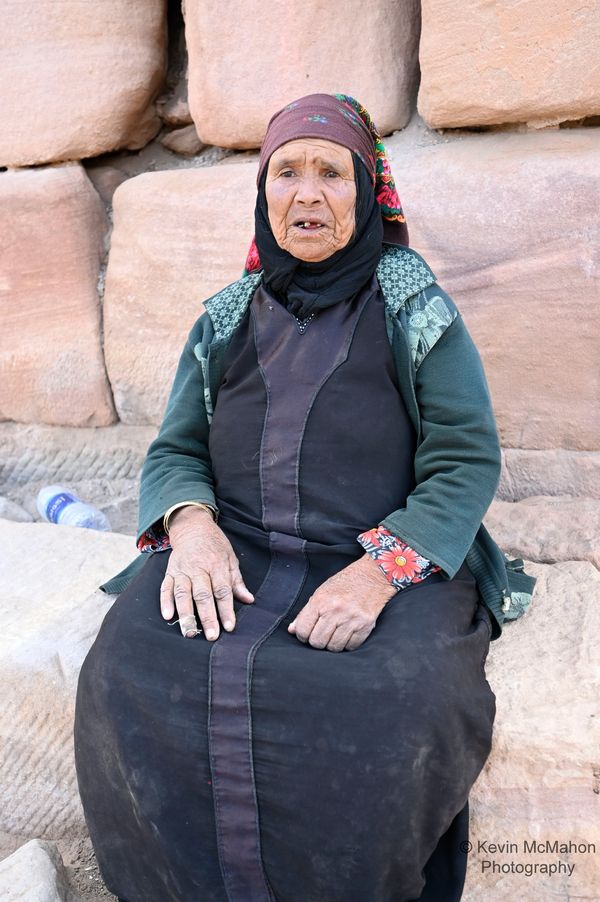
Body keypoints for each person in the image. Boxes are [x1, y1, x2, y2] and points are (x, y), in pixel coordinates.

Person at [75, 92, 512, 902]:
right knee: (126, 667)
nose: (306, 194)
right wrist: (193, 528)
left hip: (386, 556)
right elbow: (175, 448)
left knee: (397, 698)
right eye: (286, 173)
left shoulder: (414, 305)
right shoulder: (227, 315)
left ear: (366, 191)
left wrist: (379, 574)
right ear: (263, 193)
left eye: (330, 174)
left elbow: (464, 458)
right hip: (237, 553)